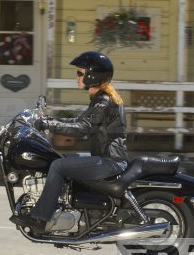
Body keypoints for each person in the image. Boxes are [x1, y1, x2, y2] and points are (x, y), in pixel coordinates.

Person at [9, 51, 128, 233]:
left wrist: (45, 124)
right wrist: (48, 121)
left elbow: (81, 128)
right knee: (61, 159)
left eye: (80, 73)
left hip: (110, 162)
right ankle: (66, 210)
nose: (77, 77)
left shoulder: (103, 101)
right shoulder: (100, 99)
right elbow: (77, 122)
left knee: (58, 166)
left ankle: (40, 218)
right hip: (107, 158)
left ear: (92, 75)